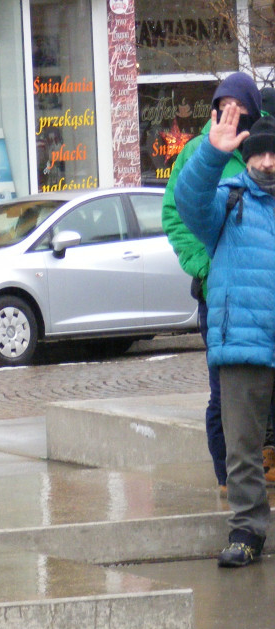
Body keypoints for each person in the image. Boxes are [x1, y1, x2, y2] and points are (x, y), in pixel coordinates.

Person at [175, 107, 275, 567]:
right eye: (259, 153)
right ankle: (246, 531)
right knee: (243, 450)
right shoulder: (227, 200)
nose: (268, 162)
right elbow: (187, 200)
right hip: (243, 344)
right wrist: (212, 155)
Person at [163, 73, 264, 495]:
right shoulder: (196, 153)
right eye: (224, 108)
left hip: (260, 295)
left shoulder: (263, 148)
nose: (230, 117)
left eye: (240, 111)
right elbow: (177, 213)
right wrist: (208, 265)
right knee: (223, 392)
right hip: (218, 296)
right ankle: (227, 477)